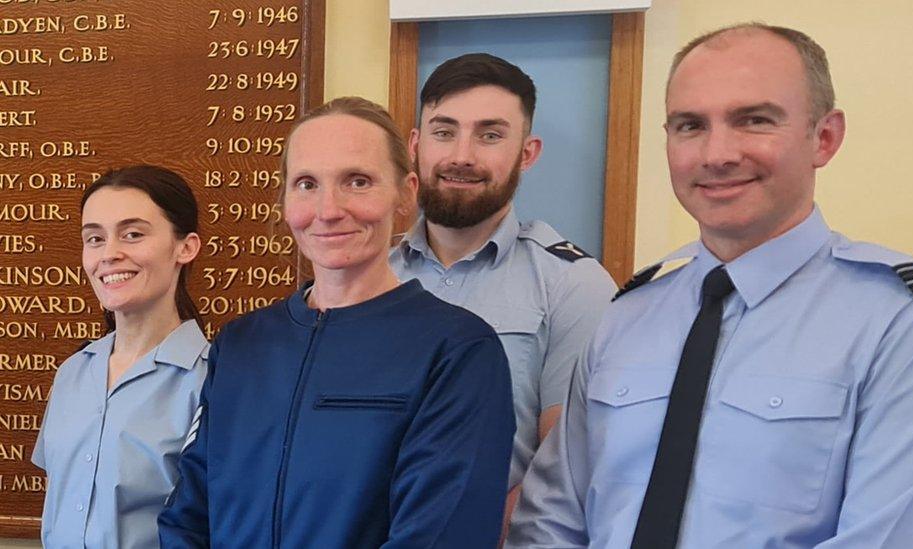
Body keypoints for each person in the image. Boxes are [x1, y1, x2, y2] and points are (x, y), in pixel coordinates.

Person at [507, 23, 913, 548]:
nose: (717, 154)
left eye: (754, 120)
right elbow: (549, 524)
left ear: (824, 137)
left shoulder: (907, 324)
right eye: (690, 125)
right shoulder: (629, 315)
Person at [158, 97, 515, 547]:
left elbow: (441, 537)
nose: (328, 210)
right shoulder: (242, 344)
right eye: (306, 184)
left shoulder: (457, 352)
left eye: (358, 181)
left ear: (406, 193)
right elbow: (188, 514)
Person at [389, 53, 618, 533]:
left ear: (527, 153)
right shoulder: (372, 276)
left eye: (490, 135)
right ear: (415, 145)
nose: (461, 156)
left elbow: (567, 464)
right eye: (443, 131)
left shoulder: (571, 284)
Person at [33, 166, 207, 549]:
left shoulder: (210, 383)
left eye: (133, 234)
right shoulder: (74, 373)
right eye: (94, 238)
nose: (109, 254)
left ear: (185, 247)